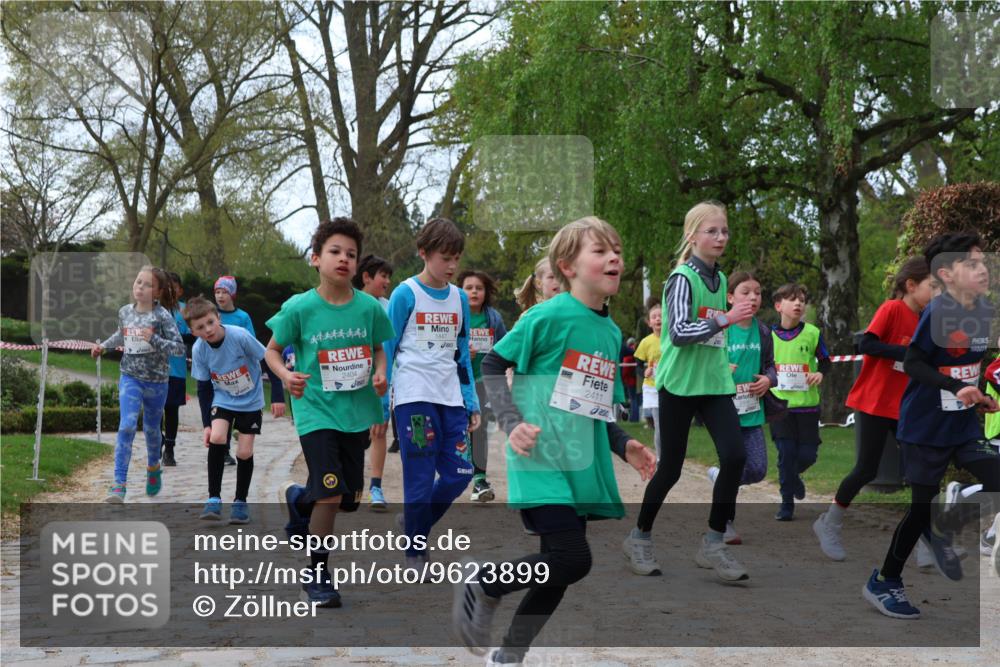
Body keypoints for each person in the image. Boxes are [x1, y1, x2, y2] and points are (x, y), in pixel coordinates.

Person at [453, 216, 656, 664]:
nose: (614, 258)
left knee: (558, 570)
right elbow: (491, 364)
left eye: (616, 250)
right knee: (572, 559)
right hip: (540, 455)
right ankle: (486, 580)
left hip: (579, 462)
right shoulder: (545, 315)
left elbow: (596, 407)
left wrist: (625, 445)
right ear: (567, 266)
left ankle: (508, 656)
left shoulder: (609, 331)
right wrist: (511, 421)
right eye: (600, 251)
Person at [863, 232, 998, 620]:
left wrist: (980, 394)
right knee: (919, 512)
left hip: (963, 426)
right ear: (947, 274)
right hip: (925, 428)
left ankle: (950, 518)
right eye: (971, 263)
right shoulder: (938, 312)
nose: (982, 268)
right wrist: (957, 387)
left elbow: (972, 365)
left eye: (982, 260)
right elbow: (915, 363)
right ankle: (885, 581)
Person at [265, 218, 394, 608]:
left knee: (349, 497)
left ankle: (297, 498)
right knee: (332, 495)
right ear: (316, 259)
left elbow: (378, 349)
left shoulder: (369, 308)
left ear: (358, 265)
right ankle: (317, 574)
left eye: (351, 254)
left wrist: (381, 371)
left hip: (356, 412)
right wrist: (287, 376)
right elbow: (270, 351)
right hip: (316, 410)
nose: (343, 259)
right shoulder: (300, 308)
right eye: (335, 252)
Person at [624, 201, 754, 582]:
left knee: (734, 457)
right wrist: (725, 318)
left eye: (724, 231)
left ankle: (713, 542)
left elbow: (714, 334)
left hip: (714, 384)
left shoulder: (721, 278)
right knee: (671, 470)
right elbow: (678, 333)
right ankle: (639, 538)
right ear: (692, 235)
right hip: (679, 385)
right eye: (712, 231)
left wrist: (725, 335)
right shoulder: (682, 278)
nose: (720, 237)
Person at [813, 258, 933, 560]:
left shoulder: (924, 320)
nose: (938, 293)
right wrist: (906, 353)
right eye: (933, 286)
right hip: (874, 401)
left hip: (905, 407)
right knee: (866, 469)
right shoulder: (892, 309)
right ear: (911, 285)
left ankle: (924, 541)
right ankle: (830, 523)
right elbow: (865, 345)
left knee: (920, 471)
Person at [384, 217, 481, 568]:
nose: (452, 266)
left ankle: (413, 525)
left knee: (460, 475)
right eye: (445, 257)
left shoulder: (459, 298)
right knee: (420, 478)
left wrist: (470, 400)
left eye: (457, 257)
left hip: (451, 398)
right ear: (424, 253)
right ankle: (415, 551)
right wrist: (383, 404)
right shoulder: (405, 294)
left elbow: (461, 350)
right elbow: (388, 349)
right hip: (414, 398)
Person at [93, 266, 184, 503]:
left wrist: (152, 338)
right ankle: (118, 485)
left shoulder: (163, 315)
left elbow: (179, 348)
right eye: (138, 282)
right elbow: (121, 335)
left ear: (158, 292)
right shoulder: (125, 311)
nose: (140, 287)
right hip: (130, 376)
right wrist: (103, 346)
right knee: (127, 425)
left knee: (153, 430)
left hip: (157, 382)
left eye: (147, 284)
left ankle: (154, 466)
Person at [706, 270, 779, 546]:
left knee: (757, 469)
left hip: (752, 410)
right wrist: (721, 368)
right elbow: (703, 362)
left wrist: (768, 379)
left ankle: (720, 478)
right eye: (745, 292)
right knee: (733, 463)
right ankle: (725, 523)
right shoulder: (720, 327)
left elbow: (772, 365)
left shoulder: (763, 331)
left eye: (757, 293)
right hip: (723, 411)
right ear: (729, 297)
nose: (753, 297)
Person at [186, 296, 265, 524]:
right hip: (223, 398)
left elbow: (266, 357)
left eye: (211, 322)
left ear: (218, 317)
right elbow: (203, 387)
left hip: (250, 400)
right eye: (200, 327)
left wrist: (278, 396)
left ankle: (240, 502)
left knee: (243, 453)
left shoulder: (239, 336)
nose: (208, 329)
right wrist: (206, 426)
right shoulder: (200, 349)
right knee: (218, 437)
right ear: (193, 331)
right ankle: (213, 499)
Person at [769, 283, 832, 520]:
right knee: (786, 452)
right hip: (779, 406)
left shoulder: (813, 333)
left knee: (808, 455)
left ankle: (793, 477)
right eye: (792, 299)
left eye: (802, 300)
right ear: (778, 305)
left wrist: (820, 373)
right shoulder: (768, 335)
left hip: (807, 406)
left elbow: (825, 361)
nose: (798, 304)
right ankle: (786, 505)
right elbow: (762, 365)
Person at [212, 275, 286, 465]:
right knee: (222, 411)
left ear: (233, 294)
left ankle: (239, 439)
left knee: (240, 413)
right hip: (221, 373)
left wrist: (277, 393)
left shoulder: (242, 317)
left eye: (224, 292)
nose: (220, 296)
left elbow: (253, 347)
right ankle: (224, 450)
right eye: (217, 292)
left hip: (242, 371)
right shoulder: (210, 314)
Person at [458, 269, 509, 503]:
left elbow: (505, 347)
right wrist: (459, 352)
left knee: (480, 431)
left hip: (483, 381)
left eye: (479, 288)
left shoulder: (493, 318)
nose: (474, 292)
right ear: (460, 290)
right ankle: (454, 476)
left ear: (486, 292)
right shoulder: (454, 314)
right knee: (457, 430)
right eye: (469, 287)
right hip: (456, 382)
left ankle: (479, 480)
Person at [353, 254, 394, 511]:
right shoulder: (350, 303)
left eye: (389, 276)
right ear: (366, 277)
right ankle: (352, 483)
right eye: (383, 275)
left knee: (379, 432)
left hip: (382, 381)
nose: (387, 281)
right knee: (356, 434)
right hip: (352, 382)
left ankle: (375, 487)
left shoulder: (391, 306)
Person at [162, 271, 193, 466]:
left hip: (177, 369)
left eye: (174, 288)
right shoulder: (153, 310)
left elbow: (193, 335)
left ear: (180, 291)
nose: (170, 291)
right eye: (166, 288)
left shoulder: (185, 311)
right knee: (154, 409)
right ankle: (158, 442)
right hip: (154, 370)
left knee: (172, 410)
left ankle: (170, 450)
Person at [633, 298, 662, 449]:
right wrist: (644, 371)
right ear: (649, 322)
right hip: (653, 386)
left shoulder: (672, 339)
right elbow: (637, 365)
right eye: (654, 317)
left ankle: (673, 457)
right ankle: (660, 459)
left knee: (672, 425)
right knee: (659, 425)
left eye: (661, 316)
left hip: (672, 386)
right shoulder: (645, 342)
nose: (658, 319)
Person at [621, 337, 639, 422]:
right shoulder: (635, 355)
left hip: (629, 381)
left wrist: (624, 379)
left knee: (632, 399)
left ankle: (633, 418)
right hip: (636, 380)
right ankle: (634, 417)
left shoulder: (627, 358)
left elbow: (625, 371)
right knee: (635, 399)